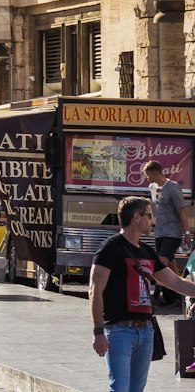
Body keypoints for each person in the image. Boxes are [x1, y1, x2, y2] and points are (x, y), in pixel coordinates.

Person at [91, 194, 195, 391]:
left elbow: (176, 283)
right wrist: (98, 332)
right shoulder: (110, 248)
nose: (153, 221)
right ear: (136, 218)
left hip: (145, 331)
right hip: (119, 331)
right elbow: (94, 290)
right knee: (120, 388)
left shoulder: (147, 251)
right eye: (149, 215)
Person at [147, 160, 190, 271]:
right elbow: (156, 208)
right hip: (159, 232)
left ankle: (157, 288)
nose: (147, 178)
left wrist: (187, 234)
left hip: (172, 232)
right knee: (170, 264)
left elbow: (183, 212)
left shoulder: (173, 188)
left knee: (161, 262)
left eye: (148, 175)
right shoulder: (152, 187)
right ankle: (179, 287)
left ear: (155, 174)